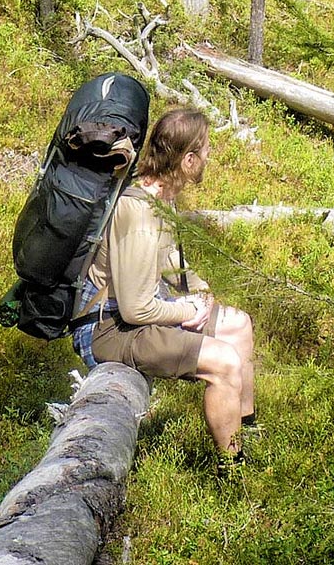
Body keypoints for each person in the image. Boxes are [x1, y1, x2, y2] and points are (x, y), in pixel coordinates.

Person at [74, 106, 257, 463]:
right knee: (225, 363)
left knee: (239, 325)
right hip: (106, 329)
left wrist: (199, 291)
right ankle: (234, 469)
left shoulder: (160, 198)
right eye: (204, 150)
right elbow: (136, 308)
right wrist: (185, 310)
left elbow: (169, 258)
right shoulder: (140, 214)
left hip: (130, 317)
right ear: (188, 159)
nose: (209, 156)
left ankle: (248, 430)